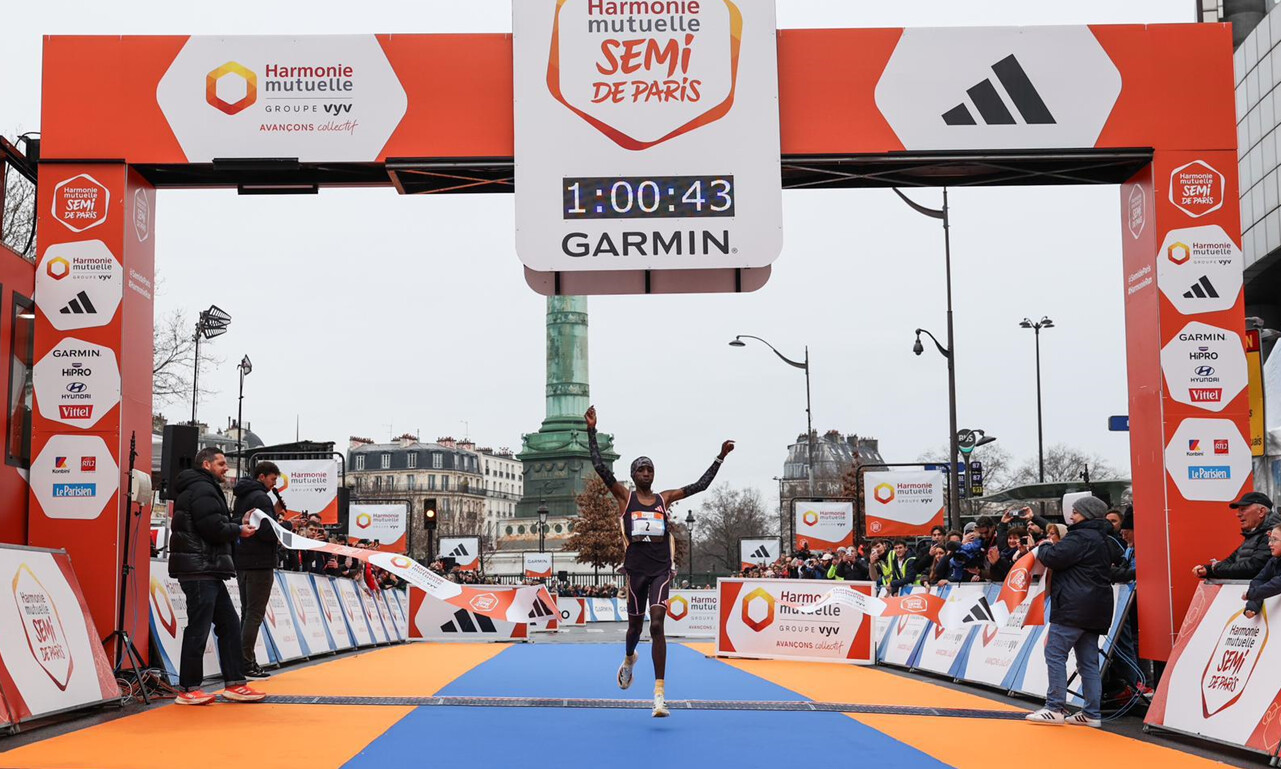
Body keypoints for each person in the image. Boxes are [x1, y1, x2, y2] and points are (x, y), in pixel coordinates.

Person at [586, 405, 733, 718]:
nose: (647, 474)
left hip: (661, 569)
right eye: (641, 470)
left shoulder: (665, 499)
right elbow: (600, 468)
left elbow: (699, 485)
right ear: (633, 475)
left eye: (650, 469)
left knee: (656, 624)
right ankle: (628, 659)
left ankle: (659, 695)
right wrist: (591, 431)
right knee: (634, 628)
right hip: (636, 568)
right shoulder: (626, 498)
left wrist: (720, 457)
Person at [168, 448, 267, 705]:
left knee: (230, 625)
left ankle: (235, 683)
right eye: (222, 463)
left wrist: (236, 523)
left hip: (205, 567)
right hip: (199, 568)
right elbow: (212, 527)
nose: (226, 468)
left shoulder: (203, 487)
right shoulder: (202, 488)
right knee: (199, 629)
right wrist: (238, 529)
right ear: (207, 464)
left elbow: (212, 522)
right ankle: (189, 688)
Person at [1026, 496, 1114, 727]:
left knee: (1055, 653)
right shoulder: (1103, 538)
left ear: (1087, 513)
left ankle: (1055, 707)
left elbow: (1054, 558)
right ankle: (1092, 713)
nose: (1071, 515)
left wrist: (1044, 545)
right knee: (1088, 662)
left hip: (1073, 606)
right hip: (1097, 608)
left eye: (1075, 511)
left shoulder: (1080, 536)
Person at [232, 460, 286, 679]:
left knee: (247, 613)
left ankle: (244, 661)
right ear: (262, 476)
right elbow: (265, 531)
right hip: (260, 562)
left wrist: (273, 514)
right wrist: (285, 527)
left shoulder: (243, 495)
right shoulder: (261, 497)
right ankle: (246, 663)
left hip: (243, 560)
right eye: (273, 479)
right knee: (254, 614)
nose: (274, 485)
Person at [1193, 492, 1281, 580]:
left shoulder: (1271, 534)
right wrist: (1208, 570)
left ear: (1261, 512)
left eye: (1243, 509)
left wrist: (1215, 568)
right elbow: (1231, 561)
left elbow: (1254, 568)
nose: (1238, 514)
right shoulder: (1253, 534)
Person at [1243, 526, 1281, 618]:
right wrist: (1252, 607)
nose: (1269, 544)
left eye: (1274, 540)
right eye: (1270, 539)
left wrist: (1251, 594)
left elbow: (1278, 584)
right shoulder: (1274, 561)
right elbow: (1259, 580)